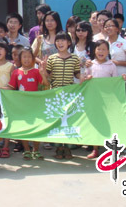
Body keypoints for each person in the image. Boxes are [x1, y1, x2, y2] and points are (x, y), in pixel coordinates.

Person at [40, 31, 81, 159]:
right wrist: (43, 69)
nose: (60, 43)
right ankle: (58, 147)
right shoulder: (52, 58)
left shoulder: (75, 58)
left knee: (69, 121)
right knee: (57, 121)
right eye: (58, 41)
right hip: (56, 94)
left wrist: (84, 77)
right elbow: (47, 75)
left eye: (63, 40)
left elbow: (77, 74)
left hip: (70, 94)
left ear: (69, 42)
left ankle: (68, 148)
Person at [3, 48, 48, 159]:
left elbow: (46, 85)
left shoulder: (37, 72)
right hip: (21, 105)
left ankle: (36, 150)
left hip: (35, 104)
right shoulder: (16, 72)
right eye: (24, 57)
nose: (27, 59)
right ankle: (27, 149)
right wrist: (1, 89)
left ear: (33, 59)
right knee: (24, 126)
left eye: (29, 57)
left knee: (37, 126)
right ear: (20, 59)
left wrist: (43, 74)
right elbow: (11, 87)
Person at [84, 39, 123, 159]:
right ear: (94, 51)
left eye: (104, 49)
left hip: (107, 100)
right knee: (96, 124)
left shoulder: (111, 65)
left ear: (108, 51)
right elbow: (85, 78)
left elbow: (115, 82)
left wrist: (121, 79)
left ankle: (110, 149)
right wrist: (87, 77)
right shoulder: (91, 64)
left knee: (109, 124)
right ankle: (95, 149)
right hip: (94, 99)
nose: (101, 52)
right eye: (98, 49)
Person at [103, 18, 126, 83]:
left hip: (121, 78)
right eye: (106, 26)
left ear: (117, 29)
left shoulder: (124, 43)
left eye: (110, 26)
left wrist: (117, 63)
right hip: (106, 79)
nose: (108, 28)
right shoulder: (103, 43)